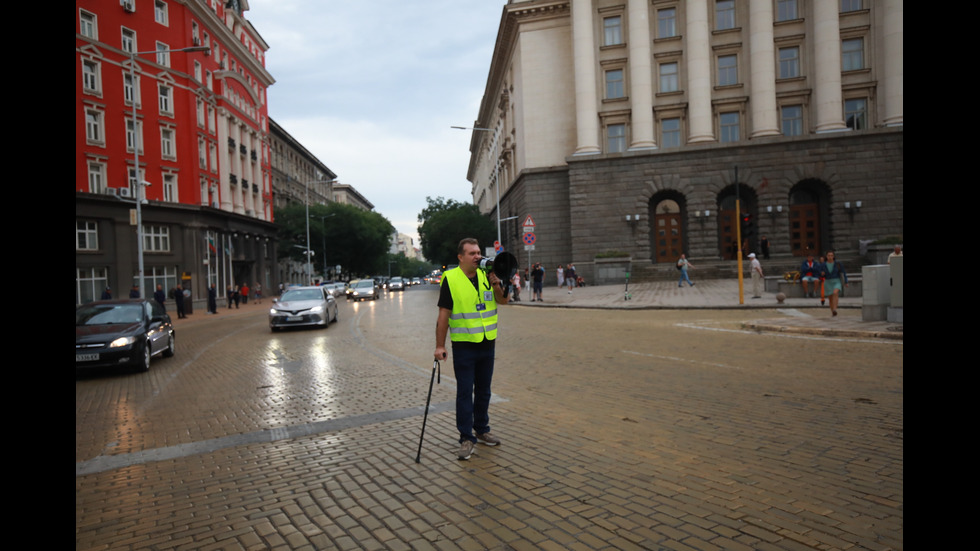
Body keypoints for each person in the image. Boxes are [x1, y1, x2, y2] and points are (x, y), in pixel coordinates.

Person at [434, 238, 508, 460]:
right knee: (466, 392)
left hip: (487, 342)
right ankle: (466, 437)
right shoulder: (451, 279)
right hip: (464, 346)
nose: (477, 256)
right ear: (461, 257)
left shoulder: (487, 275)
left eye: (478, 252)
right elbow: (444, 314)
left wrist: (497, 284)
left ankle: (482, 429)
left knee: (484, 390)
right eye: (472, 253)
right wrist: (440, 345)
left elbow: (503, 301)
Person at [821, 251, 848, 317]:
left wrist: (846, 282)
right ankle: (832, 311)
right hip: (827, 281)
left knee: (835, 293)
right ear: (826, 256)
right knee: (830, 298)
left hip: (836, 280)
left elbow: (843, 272)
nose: (830, 257)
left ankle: (835, 309)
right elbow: (819, 272)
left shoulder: (838, 264)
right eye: (828, 255)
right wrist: (822, 274)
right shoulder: (823, 264)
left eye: (831, 255)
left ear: (833, 256)